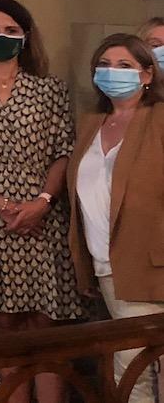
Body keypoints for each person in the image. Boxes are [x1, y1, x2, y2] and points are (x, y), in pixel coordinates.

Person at [0, 0, 82, 403]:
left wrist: (42, 201)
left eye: (11, 30)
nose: (2, 37)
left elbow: (64, 151)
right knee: (5, 322)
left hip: (43, 213)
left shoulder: (49, 87)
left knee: (43, 323)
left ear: (26, 36)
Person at [68, 34, 164, 403]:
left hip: (153, 263)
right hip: (108, 266)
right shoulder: (91, 123)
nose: (113, 73)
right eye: (104, 65)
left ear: (147, 75)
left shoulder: (157, 119)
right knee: (131, 369)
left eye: (124, 66)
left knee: (146, 366)